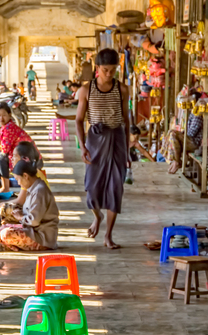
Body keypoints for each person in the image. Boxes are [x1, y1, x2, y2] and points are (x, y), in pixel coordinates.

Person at [75, 48, 129, 249]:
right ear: (97, 67)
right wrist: (82, 147)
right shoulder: (86, 90)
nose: (109, 74)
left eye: (113, 70)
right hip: (95, 141)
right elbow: (79, 120)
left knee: (116, 186)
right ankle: (97, 217)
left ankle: (108, 235)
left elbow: (126, 118)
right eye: (105, 69)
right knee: (93, 186)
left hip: (116, 140)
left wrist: (128, 146)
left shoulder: (122, 89)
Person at [0, 161, 59, 251]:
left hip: (42, 236)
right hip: (32, 229)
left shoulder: (39, 191)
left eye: (18, 179)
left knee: (6, 234)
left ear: (26, 176)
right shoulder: (34, 187)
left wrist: (20, 217)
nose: (18, 183)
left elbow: (34, 221)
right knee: (4, 215)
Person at [0, 105, 34, 194]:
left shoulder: (9, 128)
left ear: (10, 115)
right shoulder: (7, 126)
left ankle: (5, 187)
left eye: (4, 115)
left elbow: (5, 150)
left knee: (1, 158)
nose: (1, 118)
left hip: (28, 158)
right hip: (27, 155)